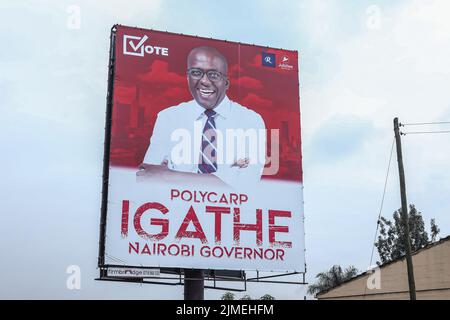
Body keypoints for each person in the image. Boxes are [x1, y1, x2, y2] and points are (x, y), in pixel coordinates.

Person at [139, 46, 266, 187]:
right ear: (187, 78)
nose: (204, 81)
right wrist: (223, 178)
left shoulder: (250, 121)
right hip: (176, 207)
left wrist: (169, 176)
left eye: (213, 75)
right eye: (196, 72)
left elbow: (245, 182)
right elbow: (147, 176)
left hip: (230, 208)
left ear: (226, 83)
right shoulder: (168, 118)